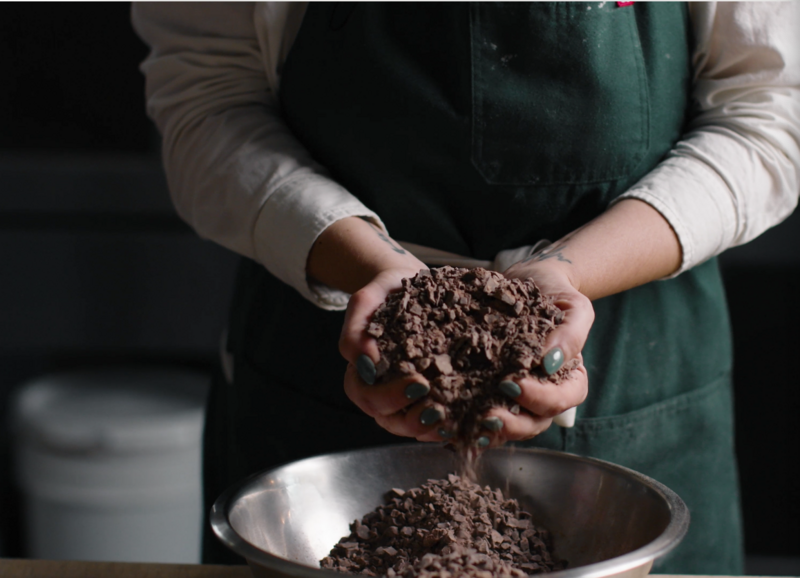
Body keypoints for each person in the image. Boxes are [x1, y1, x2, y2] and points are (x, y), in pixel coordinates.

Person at [132, 2, 800, 573]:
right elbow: (207, 94)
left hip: (639, 368)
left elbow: (770, 112)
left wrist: (565, 276)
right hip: (321, 378)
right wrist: (370, 268)